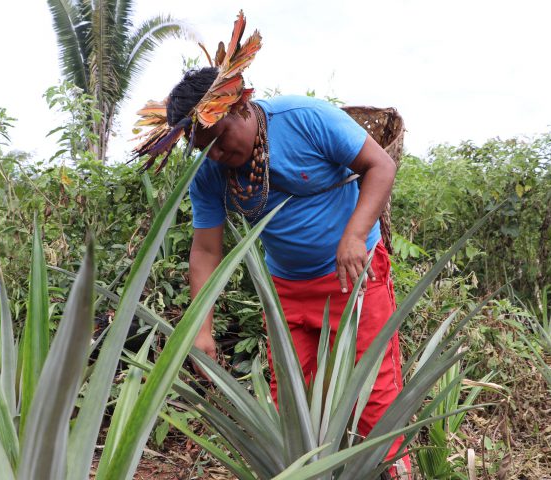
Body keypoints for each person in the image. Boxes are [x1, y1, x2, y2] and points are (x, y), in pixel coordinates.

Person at [134, 11, 410, 477]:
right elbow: (205, 252)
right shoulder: (210, 174)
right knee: (295, 403)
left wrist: (354, 234)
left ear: (242, 106)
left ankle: (388, 471)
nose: (218, 155)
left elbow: (380, 166)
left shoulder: (306, 118)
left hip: (353, 278)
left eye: (220, 139)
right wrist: (198, 327)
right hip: (287, 292)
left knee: (375, 396)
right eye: (206, 148)